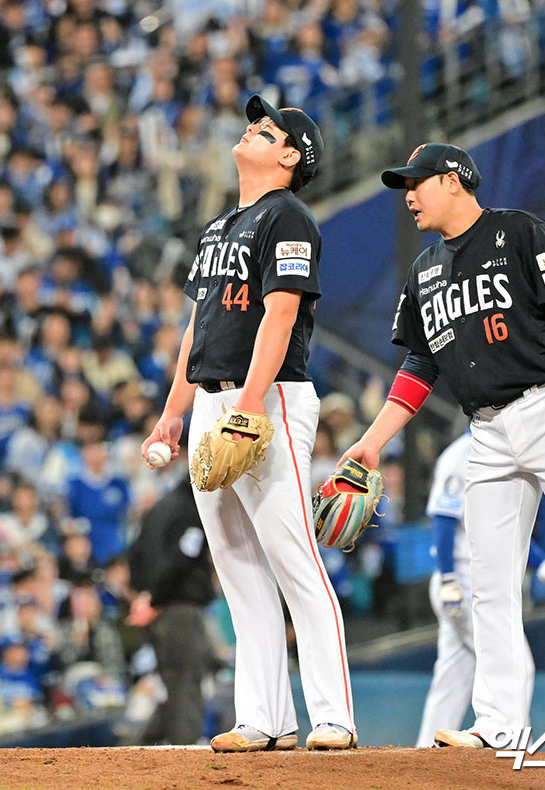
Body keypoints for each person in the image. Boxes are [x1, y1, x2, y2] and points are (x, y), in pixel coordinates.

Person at [341, 143, 545, 751]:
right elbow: (420, 365)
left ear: (453, 180)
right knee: (490, 584)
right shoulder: (424, 271)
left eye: (417, 183)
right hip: (488, 434)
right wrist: (371, 442)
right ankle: (498, 723)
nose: (409, 195)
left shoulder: (520, 232)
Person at [141, 94, 356, 752]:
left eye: (266, 129)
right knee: (234, 562)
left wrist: (248, 405)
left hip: (268, 398)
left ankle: (334, 717)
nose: (250, 128)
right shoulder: (218, 229)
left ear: (290, 155)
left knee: (292, 554)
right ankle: (264, 719)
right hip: (214, 398)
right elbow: (198, 329)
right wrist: (171, 416)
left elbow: (281, 313)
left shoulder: (288, 216)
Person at [415, 430, 545, 747]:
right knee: (518, 664)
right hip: (461, 578)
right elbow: (444, 520)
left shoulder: (503, 450)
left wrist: (542, 565)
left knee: (454, 675)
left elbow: (508, 529)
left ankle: (424, 754)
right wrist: (448, 578)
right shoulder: (461, 454)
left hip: (477, 578)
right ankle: (514, 747)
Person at [127, 464, 216, 746]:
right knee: (187, 685)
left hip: (159, 612)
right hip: (178, 610)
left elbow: (134, 554)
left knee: (175, 686)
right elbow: (182, 559)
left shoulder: (158, 508)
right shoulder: (189, 511)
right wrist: (155, 597)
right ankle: (188, 758)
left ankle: (137, 750)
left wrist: (145, 595)